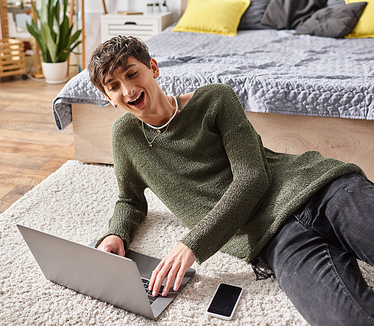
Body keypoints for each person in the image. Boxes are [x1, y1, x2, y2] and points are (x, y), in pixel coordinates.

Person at [88, 35, 374, 326]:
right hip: (274, 238)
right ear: (108, 98)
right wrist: (116, 234)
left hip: (318, 189)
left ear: (153, 68)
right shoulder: (125, 137)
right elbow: (129, 199)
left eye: (132, 73)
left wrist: (193, 244)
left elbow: (252, 178)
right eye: (114, 86)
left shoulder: (215, 98)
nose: (128, 89)